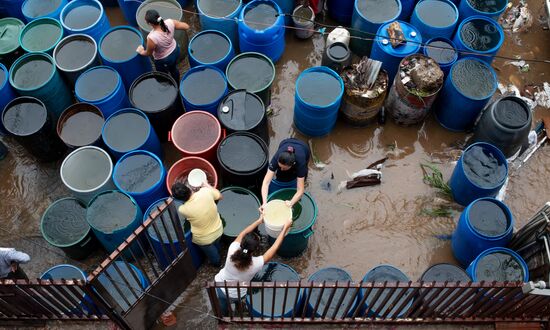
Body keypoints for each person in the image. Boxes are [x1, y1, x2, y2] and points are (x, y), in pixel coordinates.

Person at [214, 214, 292, 315]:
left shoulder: (232, 249)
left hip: (219, 287)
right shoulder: (256, 264)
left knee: (223, 309)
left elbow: (243, 232)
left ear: (242, 243)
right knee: (238, 301)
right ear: (254, 250)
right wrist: (285, 228)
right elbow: (274, 247)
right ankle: (239, 309)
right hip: (237, 294)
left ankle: (223, 318)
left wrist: (259, 221)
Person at [171, 181, 223, 266]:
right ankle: (218, 249)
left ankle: (217, 263)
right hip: (218, 229)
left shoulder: (182, 209)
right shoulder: (205, 192)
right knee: (216, 243)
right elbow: (220, 196)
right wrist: (206, 185)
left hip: (204, 239)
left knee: (212, 254)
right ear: (188, 188)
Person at [136, 9, 189, 82]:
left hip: (164, 59)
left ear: (150, 23)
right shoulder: (170, 22)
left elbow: (148, 53)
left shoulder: (152, 37)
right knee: (174, 69)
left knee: (162, 75)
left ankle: (167, 85)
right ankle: (177, 84)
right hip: (176, 50)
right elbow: (186, 26)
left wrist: (141, 51)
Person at [260, 138, 311, 210]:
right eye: (280, 166)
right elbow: (266, 182)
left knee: (301, 177)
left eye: (284, 168)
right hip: (285, 142)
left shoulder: (300, 163)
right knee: (281, 174)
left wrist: (291, 203)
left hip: (303, 147)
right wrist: (264, 202)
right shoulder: (276, 158)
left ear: (293, 164)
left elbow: (300, 190)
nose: (281, 169)